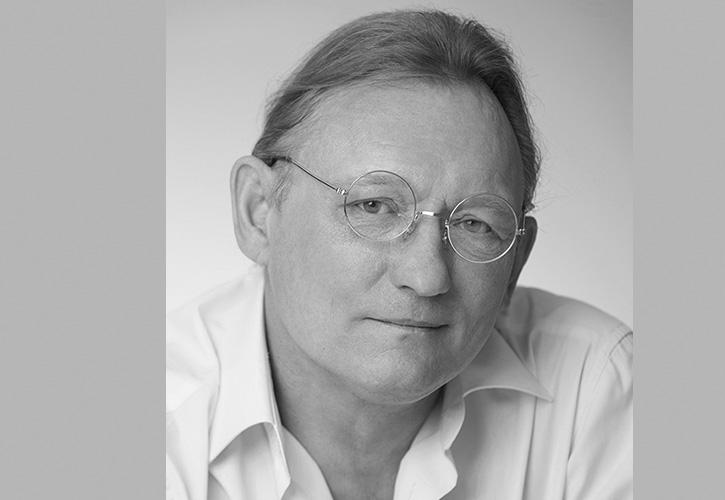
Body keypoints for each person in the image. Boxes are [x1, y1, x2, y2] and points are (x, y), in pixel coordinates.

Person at [166, 9, 632, 500]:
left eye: (476, 224)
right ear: (258, 211)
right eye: (374, 206)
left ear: (516, 259)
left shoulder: (595, 390)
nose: (428, 276)